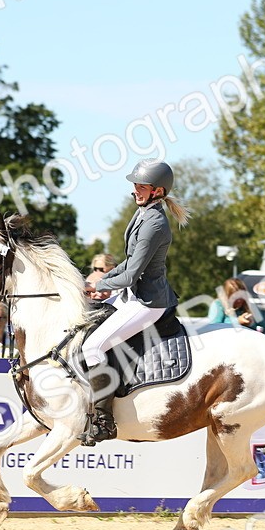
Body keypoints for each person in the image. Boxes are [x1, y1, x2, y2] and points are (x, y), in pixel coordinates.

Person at [81, 158, 190, 445]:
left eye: (141, 186)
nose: (135, 190)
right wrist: (95, 283)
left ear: (157, 191)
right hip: (133, 296)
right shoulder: (142, 213)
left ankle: (103, 422)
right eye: (135, 185)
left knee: (93, 345)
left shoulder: (155, 222)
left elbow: (131, 274)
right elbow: (128, 261)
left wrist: (100, 285)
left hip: (148, 302)